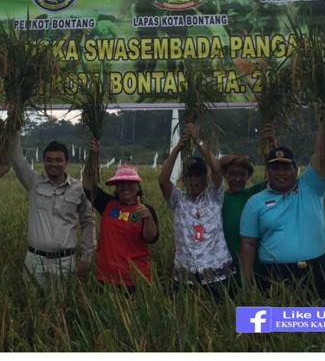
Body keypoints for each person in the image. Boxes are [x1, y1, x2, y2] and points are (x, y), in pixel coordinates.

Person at [239, 106, 325, 299]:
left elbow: (320, 153)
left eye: (286, 167)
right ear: (268, 170)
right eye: (275, 168)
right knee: (276, 327)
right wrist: (246, 284)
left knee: (320, 325)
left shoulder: (311, 187)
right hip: (273, 276)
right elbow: (248, 244)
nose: (281, 172)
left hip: (316, 270)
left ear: (296, 169)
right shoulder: (255, 202)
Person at [8, 132, 96, 287]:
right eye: (49, 160)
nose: (53, 164)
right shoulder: (34, 182)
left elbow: (88, 222)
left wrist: (86, 258)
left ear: (66, 162)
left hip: (66, 262)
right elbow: (16, 158)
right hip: (35, 260)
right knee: (32, 306)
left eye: (58, 160)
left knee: (63, 307)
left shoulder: (78, 188)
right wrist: (14, 125)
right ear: (43, 161)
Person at [159, 124, 234, 293]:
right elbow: (163, 180)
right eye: (190, 175)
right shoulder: (178, 200)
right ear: (183, 177)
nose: (194, 180)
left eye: (198, 175)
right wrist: (178, 147)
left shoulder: (215, 196)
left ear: (204, 177)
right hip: (185, 275)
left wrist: (198, 141)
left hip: (217, 273)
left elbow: (216, 168)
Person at [82, 143, 159, 290]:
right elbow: (87, 183)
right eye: (120, 183)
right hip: (106, 277)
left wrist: (147, 217)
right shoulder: (107, 204)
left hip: (136, 280)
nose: (125, 187)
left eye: (130, 183)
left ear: (138, 186)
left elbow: (151, 238)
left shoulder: (146, 210)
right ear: (115, 187)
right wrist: (92, 156)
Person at [219, 154, 265, 279]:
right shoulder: (217, 199)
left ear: (248, 176)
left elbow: (273, 178)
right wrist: (237, 158)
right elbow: (216, 165)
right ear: (225, 174)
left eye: (242, 174)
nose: (237, 178)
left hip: (253, 266)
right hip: (226, 267)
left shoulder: (254, 194)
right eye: (232, 173)